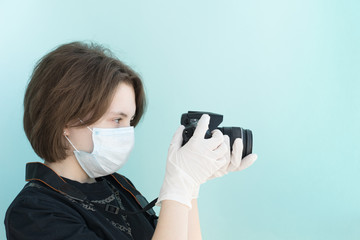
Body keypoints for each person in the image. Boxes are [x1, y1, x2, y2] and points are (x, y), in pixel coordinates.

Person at [4, 41, 257, 240]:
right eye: (117, 120)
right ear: (66, 122)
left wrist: (190, 188)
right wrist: (178, 187)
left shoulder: (117, 186)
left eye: (130, 121)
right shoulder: (34, 213)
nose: (127, 132)